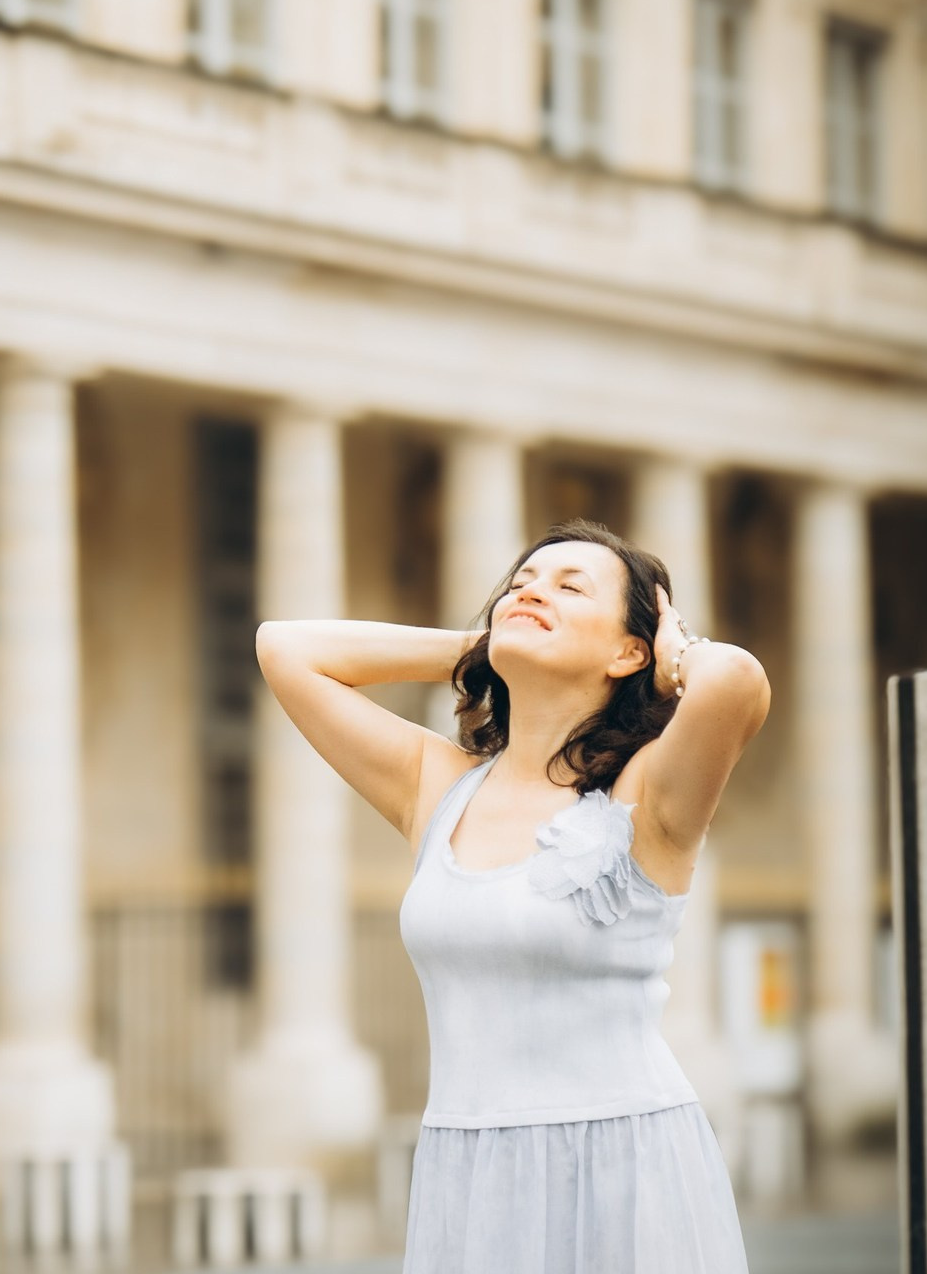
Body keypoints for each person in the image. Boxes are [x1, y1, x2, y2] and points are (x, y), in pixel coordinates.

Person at [253, 518, 770, 1274]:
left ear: (631, 650)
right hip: (468, 1179)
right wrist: (482, 650)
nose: (531, 592)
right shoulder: (438, 789)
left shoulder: (646, 795)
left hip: (624, 1165)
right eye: (520, 585)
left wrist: (675, 655)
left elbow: (738, 683)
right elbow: (286, 650)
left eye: (569, 587)